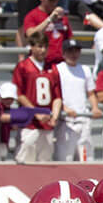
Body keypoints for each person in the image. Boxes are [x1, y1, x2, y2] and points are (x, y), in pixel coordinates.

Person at [11, 34, 63, 163]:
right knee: (26, 159)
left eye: (45, 46)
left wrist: (54, 117)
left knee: (45, 161)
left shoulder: (53, 68)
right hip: (29, 123)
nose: (43, 50)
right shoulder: (23, 66)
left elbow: (57, 97)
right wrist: (36, 113)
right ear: (32, 47)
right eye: (39, 46)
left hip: (47, 123)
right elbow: (19, 94)